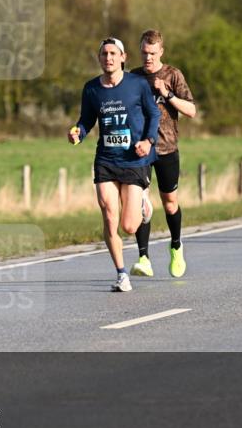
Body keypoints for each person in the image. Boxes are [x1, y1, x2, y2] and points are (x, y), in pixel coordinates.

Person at [69, 37, 160, 292]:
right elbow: (86, 120)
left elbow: (154, 114)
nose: (108, 58)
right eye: (104, 54)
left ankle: (143, 200)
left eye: (112, 53)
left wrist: (149, 141)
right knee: (109, 217)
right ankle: (121, 274)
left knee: (129, 226)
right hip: (106, 160)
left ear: (123, 57)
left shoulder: (138, 84)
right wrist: (78, 133)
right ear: (99, 59)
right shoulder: (91, 89)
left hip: (134, 159)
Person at [127, 29, 197, 278]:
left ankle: (176, 245)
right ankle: (143, 258)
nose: (148, 58)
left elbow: (191, 110)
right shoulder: (132, 78)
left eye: (153, 54)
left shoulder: (172, 74)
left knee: (170, 203)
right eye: (144, 53)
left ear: (161, 52)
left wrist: (167, 94)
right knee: (141, 204)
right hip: (139, 150)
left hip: (167, 148)